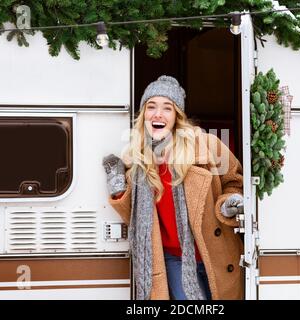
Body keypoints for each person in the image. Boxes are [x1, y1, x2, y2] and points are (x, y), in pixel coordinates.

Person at [102, 75, 244, 300]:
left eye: (167, 108)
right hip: (174, 259)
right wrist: (118, 187)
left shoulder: (206, 146)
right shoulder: (136, 159)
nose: (158, 114)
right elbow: (136, 216)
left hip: (214, 251)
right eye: (151, 107)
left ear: (177, 116)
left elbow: (234, 182)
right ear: (144, 115)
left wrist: (227, 205)